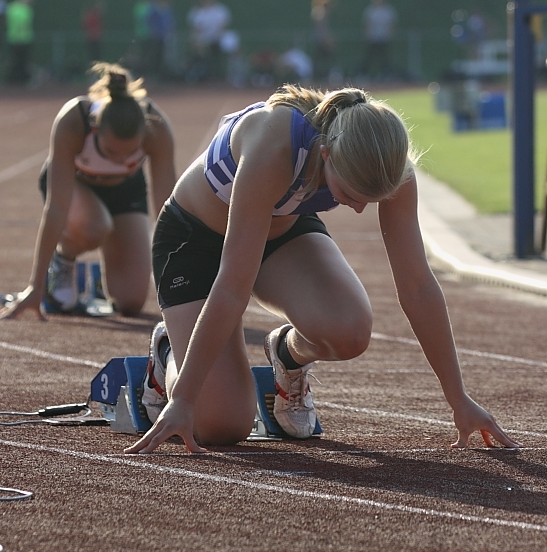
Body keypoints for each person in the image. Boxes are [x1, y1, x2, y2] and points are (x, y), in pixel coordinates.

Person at [124, 85, 520, 456]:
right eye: (348, 195)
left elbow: (418, 286)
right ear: (326, 154)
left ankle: (286, 356)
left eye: (371, 200)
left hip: (280, 232)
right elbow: (231, 286)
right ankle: (170, 355)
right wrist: (183, 399)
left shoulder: (391, 168)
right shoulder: (273, 146)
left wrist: (458, 399)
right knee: (221, 426)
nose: (361, 209)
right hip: (194, 241)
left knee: (348, 331)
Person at [0, 62, 175, 321]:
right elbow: (56, 208)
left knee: (131, 301)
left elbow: (167, 211)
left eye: (130, 154)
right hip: (76, 184)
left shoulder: (156, 128)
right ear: (95, 129)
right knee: (95, 226)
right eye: (112, 152)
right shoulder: (73, 121)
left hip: (126, 191)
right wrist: (35, 286)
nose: (120, 161)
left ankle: (106, 281)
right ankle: (63, 259)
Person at [186, 0, 231, 81]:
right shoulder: (198, 12)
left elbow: (225, 24)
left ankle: (220, 74)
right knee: (198, 47)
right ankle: (201, 72)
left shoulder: (220, 10)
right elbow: (196, 28)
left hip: (218, 38)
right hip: (204, 39)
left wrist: (216, 34)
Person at [360, 0, 397, 80]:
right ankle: (366, 74)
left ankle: (385, 74)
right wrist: (368, 34)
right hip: (373, 38)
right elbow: (367, 23)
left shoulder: (387, 10)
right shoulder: (371, 10)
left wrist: (389, 34)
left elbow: (391, 24)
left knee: (384, 58)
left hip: (383, 38)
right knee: (370, 57)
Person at [6, 0, 34, 85]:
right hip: (24, 39)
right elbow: (26, 23)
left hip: (12, 38)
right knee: (23, 61)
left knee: (14, 60)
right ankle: (22, 79)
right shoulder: (26, 9)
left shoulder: (11, 7)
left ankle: (13, 79)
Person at [82, 0, 105, 66]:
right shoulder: (91, 16)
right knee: (93, 56)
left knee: (98, 56)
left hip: (96, 38)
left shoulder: (98, 16)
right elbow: (86, 26)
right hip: (92, 39)